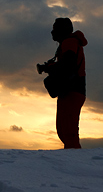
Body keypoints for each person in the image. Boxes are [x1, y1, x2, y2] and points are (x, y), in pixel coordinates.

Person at [37, 17, 87, 149]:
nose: (52, 32)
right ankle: (72, 160)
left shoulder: (69, 42)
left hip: (73, 90)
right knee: (64, 130)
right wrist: (51, 66)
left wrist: (49, 68)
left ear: (62, 30)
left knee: (68, 131)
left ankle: (75, 162)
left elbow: (68, 65)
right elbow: (67, 64)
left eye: (55, 29)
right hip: (70, 91)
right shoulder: (68, 42)